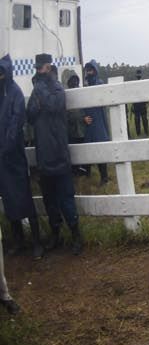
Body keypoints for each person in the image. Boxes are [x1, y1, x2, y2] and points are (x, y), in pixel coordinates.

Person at [27, 54, 84, 255]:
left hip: (58, 153)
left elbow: (52, 106)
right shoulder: (38, 90)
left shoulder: (58, 89)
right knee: (49, 200)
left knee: (66, 197)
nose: (37, 72)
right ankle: (56, 235)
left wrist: (41, 87)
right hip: (44, 153)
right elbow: (31, 114)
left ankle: (76, 236)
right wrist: (39, 92)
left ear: (48, 68)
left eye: (40, 68)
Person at [1, 54, 41, 259]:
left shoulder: (15, 93)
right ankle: (18, 241)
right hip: (2, 160)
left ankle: (37, 242)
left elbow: (16, 123)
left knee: (24, 197)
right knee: (8, 200)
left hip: (14, 156)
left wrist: (5, 147)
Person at [80, 61, 111, 185]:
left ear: (95, 71)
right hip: (89, 123)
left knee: (100, 149)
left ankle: (104, 177)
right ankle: (86, 174)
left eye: (91, 70)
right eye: (87, 70)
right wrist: (83, 117)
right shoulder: (85, 86)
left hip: (98, 121)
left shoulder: (99, 84)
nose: (89, 72)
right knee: (88, 148)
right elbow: (81, 105)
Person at [65, 74, 90, 176]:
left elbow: (86, 109)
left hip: (82, 128)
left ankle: (86, 169)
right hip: (71, 129)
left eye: (76, 81)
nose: (74, 83)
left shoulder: (81, 93)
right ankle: (75, 170)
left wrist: (85, 118)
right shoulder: (66, 94)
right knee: (73, 150)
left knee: (84, 150)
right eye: (72, 81)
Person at [131, 69, 149, 136]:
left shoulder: (143, 83)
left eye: (139, 73)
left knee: (144, 119)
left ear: (141, 74)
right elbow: (132, 94)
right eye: (137, 73)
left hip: (142, 104)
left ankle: (146, 132)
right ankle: (138, 133)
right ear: (136, 75)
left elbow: (146, 92)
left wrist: (147, 102)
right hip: (136, 104)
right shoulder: (134, 84)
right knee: (137, 120)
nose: (138, 75)